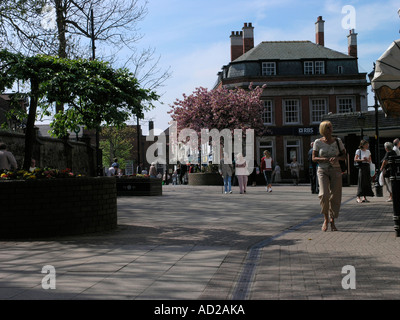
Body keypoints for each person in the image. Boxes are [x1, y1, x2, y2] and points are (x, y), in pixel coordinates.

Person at [312, 120, 346, 232]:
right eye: (328, 127)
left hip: (336, 169)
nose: (330, 129)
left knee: (335, 196)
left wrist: (337, 158)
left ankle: (333, 220)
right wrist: (325, 159)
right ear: (323, 130)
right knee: (324, 194)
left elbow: (344, 155)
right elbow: (314, 158)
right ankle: (325, 218)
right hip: (322, 170)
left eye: (331, 127)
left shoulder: (338, 141)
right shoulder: (317, 142)